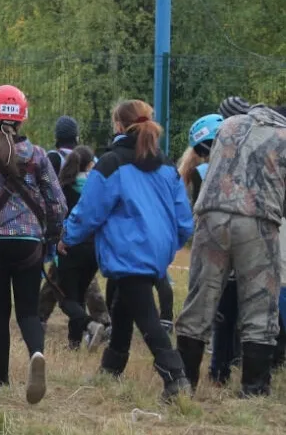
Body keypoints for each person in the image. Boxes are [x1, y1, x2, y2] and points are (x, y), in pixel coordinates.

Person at [63, 100, 194, 402]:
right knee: (122, 305)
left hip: (128, 250)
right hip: (155, 250)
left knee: (146, 315)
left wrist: (67, 237)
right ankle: (112, 369)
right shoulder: (167, 167)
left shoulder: (110, 164)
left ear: (119, 126)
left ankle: (176, 379)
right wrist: (165, 246)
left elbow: (90, 212)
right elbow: (184, 222)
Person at [0, 85, 67, 404]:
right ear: (23, 118)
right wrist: (52, 239)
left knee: (1, 310)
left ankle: (2, 380)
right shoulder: (38, 156)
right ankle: (36, 353)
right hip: (30, 245)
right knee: (28, 313)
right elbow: (57, 204)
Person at [176, 101, 286, 397]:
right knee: (259, 304)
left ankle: (183, 383)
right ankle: (254, 389)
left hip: (212, 215)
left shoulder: (229, 124)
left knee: (201, 297)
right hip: (258, 223)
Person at [178, 113, 239, 385]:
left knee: (209, 308)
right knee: (235, 309)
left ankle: (211, 372)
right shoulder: (243, 165)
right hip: (243, 245)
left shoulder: (196, 172)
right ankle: (226, 369)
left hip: (210, 246)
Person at [38, 115, 109, 330]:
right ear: (76, 137)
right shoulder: (90, 162)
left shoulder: (52, 158)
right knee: (61, 279)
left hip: (62, 232)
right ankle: (41, 317)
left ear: (57, 137)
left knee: (69, 283)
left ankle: (99, 321)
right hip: (86, 237)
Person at [54, 146, 108, 350]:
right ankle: (74, 343)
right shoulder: (96, 188)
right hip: (93, 249)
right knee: (79, 296)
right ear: (89, 165)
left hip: (68, 247)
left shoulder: (64, 187)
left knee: (66, 300)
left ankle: (91, 325)